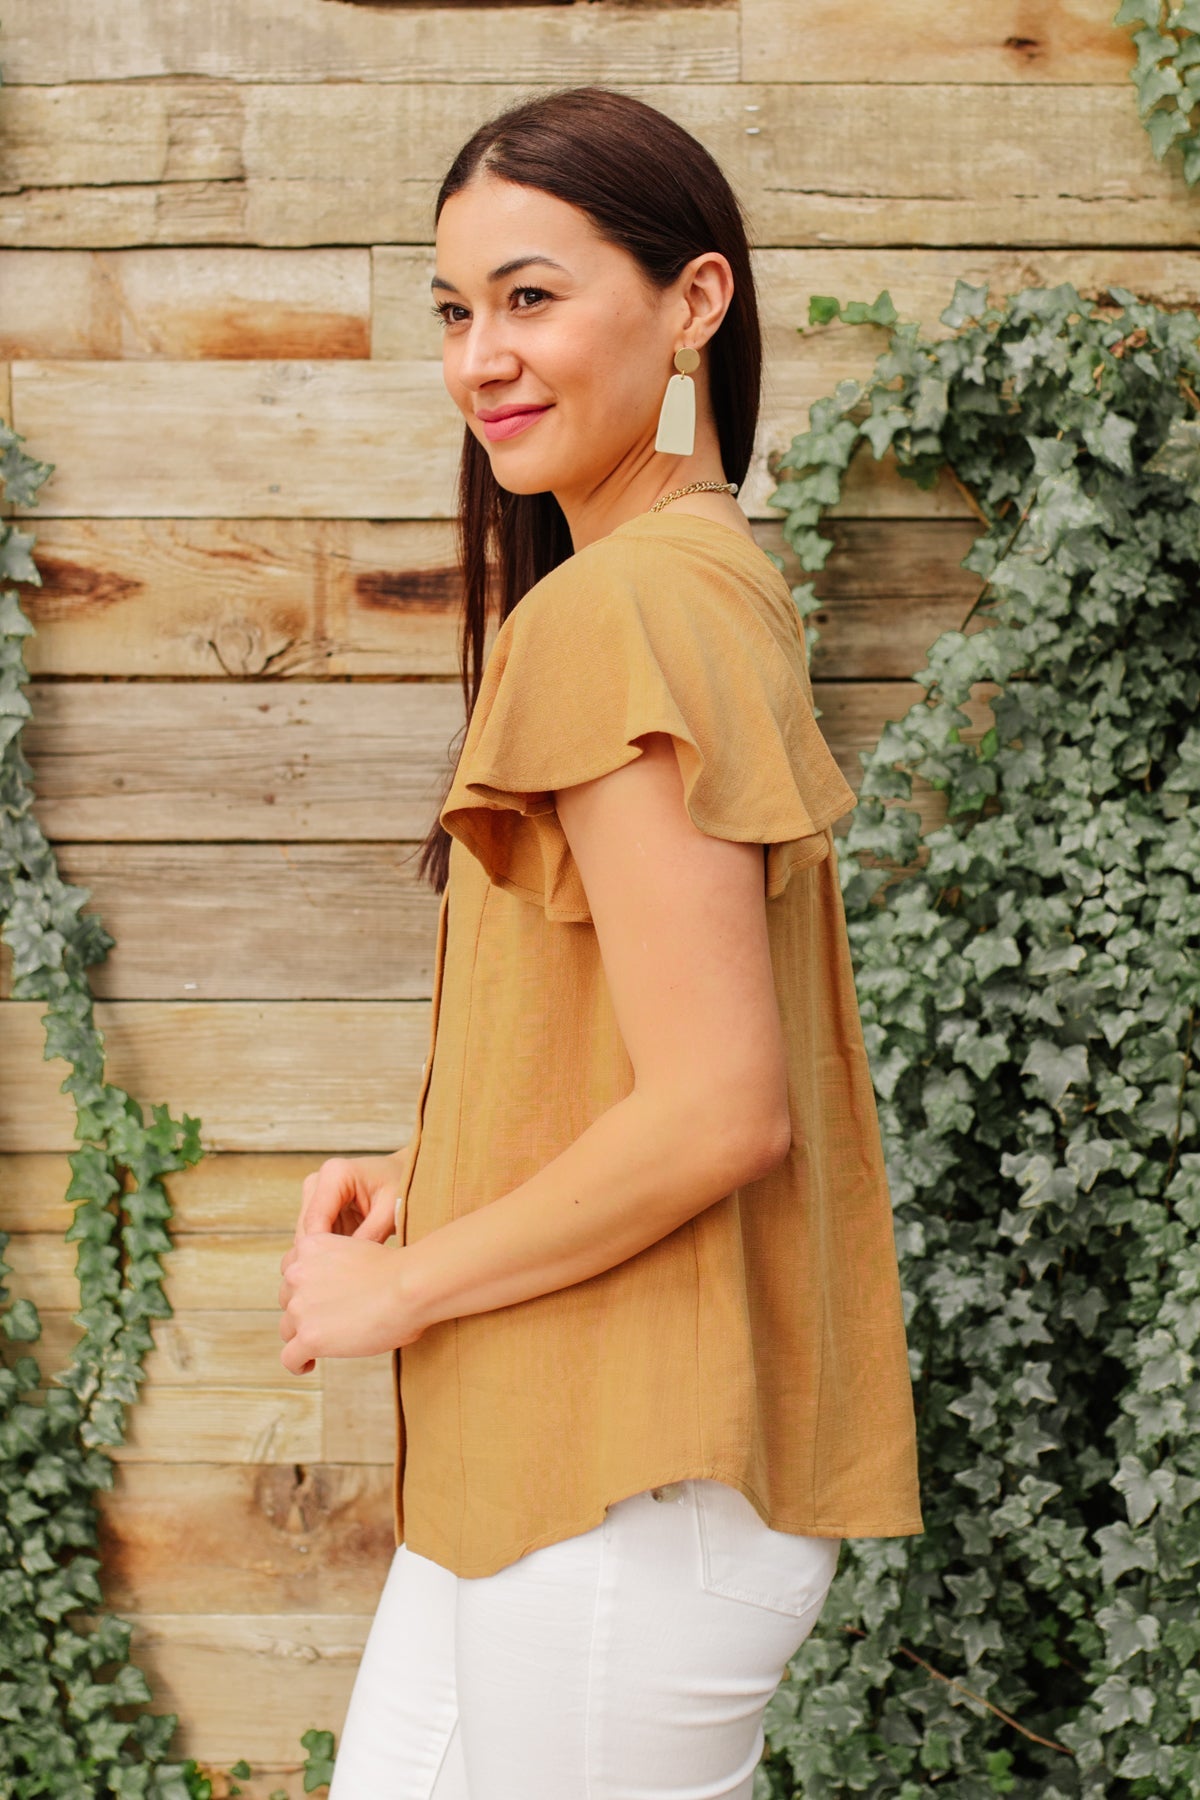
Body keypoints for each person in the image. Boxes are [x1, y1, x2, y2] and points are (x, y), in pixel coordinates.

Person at [278, 84, 923, 1800]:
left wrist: (398, 1290)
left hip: (626, 1482)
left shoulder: (623, 605)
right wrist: (435, 1165)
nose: (479, 356)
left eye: (531, 297)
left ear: (694, 302)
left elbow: (722, 1109)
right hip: (559, 1461)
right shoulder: (696, 575)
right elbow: (636, 1030)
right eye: (454, 310)